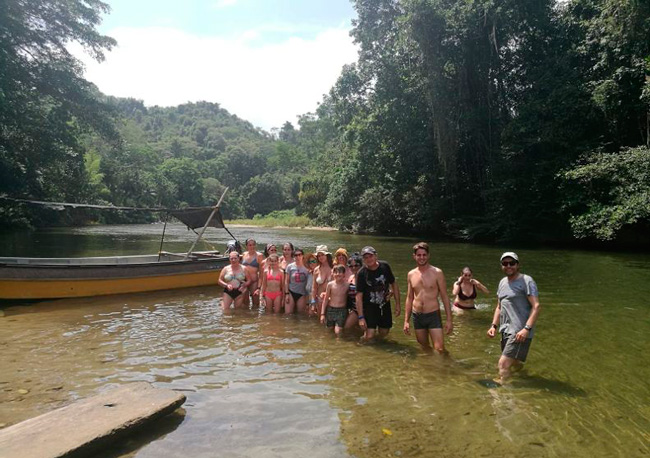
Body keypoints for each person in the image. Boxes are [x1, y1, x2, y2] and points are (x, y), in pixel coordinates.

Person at [487, 252, 541, 384]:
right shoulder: (502, 282)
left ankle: (502, 393)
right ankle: (524, 378)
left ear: (518, 265)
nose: (508, 266)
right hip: (505, 330)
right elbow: (499, 307)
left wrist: (526, 329)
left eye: (512, 263)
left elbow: (537, 306)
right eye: (505, 263)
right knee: (515, 362)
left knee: (503, 364)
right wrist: (494, 325)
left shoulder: (526, 281)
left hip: (519, 331)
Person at [403, 242, 453, 353]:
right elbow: (409, 297)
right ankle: (430, 368)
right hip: (417, 316)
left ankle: (446, 366)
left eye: (424, 255)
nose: (422, 257)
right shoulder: (411, 274)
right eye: (419, 255)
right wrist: (406, 320)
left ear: (428, 255)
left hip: (433, 315)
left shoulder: (437, 273)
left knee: (439, 349)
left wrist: (449, 320)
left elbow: (444, 297)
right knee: (424, 347)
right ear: (414, 256)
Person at [355, 246, 401, 341]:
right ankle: (361, 344)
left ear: (376, 256)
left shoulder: (385, 266)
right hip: (369, 307)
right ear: (363, 260)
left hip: (384, 305)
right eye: (365, 257)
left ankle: (378, 346)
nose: (368, 259)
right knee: (369, 336)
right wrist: (361, 317)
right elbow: (359, 296)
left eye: (370, 256)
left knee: (384, 333)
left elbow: (394, 284)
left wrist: (397, 304)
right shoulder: (361, 273)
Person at [320, 265, 349, 336]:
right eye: (335, 272)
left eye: (340, 272)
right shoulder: (330, 284)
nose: (338, 274)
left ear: (344, 274)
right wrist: (322, 314)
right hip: (330, 310)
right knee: (329, 330)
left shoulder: (347, 285)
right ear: (332, 274)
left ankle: (339, 344)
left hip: (342, 310)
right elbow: (326, 299)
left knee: (338, 331)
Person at [284, 247, 310, 314]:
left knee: (300, 314)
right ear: (293, 257)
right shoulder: (290, 266)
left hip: (302, 293)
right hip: (291, 292)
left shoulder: (307, 268)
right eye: (296, 255)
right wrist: (286, 294)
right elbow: (286, 281)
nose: (298, 257)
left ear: (302, 256)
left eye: (300, 255)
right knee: (288, 314)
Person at [241, 239, 264, 308]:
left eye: (253, 245)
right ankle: (246, 318)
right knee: (245, 303)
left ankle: (256, 318)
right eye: (250, 245)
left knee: (256, 303)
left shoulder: (259, 255)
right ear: (246, 246)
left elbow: (261, 273)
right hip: (244, 281)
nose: (252, 247)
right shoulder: (244, 254)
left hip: (254, 281)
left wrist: (259, 287)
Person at [311, 245, 333, 316]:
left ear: (327, 255)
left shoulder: (334, 268)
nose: (321, 257)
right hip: (319, 299)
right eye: (319, 256)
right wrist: (313, 301)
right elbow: (314, 287)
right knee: (320, 323)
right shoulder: (317, 270)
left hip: (331, 299)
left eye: (322, 255)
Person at [344, 252, 362, 331]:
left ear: (361, 265)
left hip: (366, 310)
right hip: (354, 309)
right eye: (351, 266)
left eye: (356, 265)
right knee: (346, 328)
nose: (353, 268)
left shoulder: (365, 278)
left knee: (366, 334)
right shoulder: (351, 277)